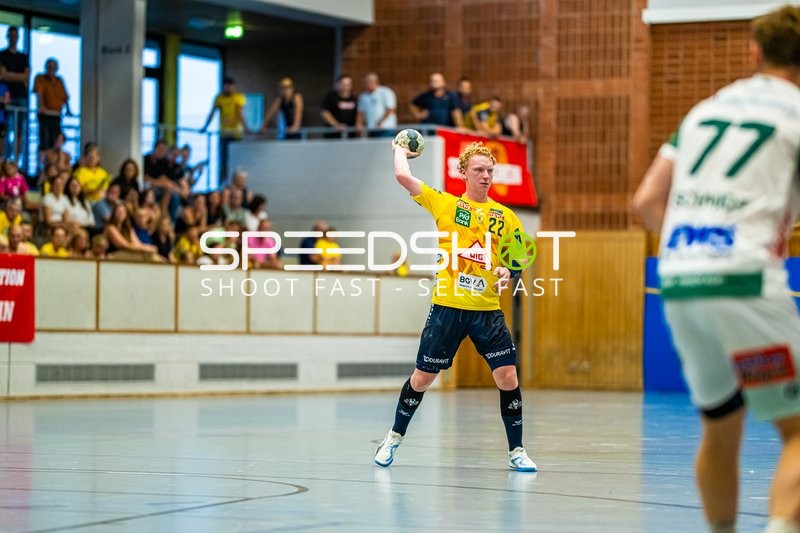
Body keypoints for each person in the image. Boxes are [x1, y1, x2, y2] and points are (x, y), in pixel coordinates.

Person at [632, 7, 800, 532]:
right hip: (745, 284)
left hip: (680, 282)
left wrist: (692, 249)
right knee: (796, 429)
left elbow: (646, 200)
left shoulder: (705, 111)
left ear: (754, 52)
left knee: (721, 423)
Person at [373, 141, 537, 472]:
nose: (485, 176)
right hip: (447, 308)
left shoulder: (505, 216)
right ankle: (393, 437)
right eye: (478, 170)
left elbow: (518, 255)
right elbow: (403, 176)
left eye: (490, 171)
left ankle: (517, 450)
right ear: (463, 172)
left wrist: (510, 271)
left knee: (508, 377)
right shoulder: (445, 204)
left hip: (487, 311)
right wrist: (399, 149)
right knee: (422, 379)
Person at [201, 76, 246, 184]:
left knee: (236, 159)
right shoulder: (219, 98)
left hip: (236, 133)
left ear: (234, 87)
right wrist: (205, 127)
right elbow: (212, 113)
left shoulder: (238, 97)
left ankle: (237, 182)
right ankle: (224, 182)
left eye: (230, 86)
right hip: (224, 134)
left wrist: (246, 127)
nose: (228, 88)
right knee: (223, 160)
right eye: (226, 86)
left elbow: (240, 113)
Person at [33, 58, 71, 170]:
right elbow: (39, 92)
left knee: (55, 140)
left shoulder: (59, 81)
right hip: (45, 115)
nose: (51, 69)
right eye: (49, 66)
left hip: (56, 115)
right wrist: (41, 106)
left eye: (53, 67)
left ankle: (54, 166)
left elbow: (65, 96)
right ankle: (42, 167)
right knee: (44, 141)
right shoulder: (40, 78)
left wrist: (68, 110)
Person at [0, 27, 29, 164]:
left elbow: (26, 76)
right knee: (5, 129)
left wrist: (9, 75)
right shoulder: (2, 55)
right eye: (11, 35)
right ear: (8, 36)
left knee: (20, 130)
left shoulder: (23, 57)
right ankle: (5, 159)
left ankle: (16, 162)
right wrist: (19, 76)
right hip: (6, 97)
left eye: (15, 35)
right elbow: (3, 75)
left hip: (21, 96)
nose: (13, 38)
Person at [356, 72, 397, 137]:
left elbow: (390, 109)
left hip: (386, 128)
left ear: (375, 82)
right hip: (371, 129)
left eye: (368, 82)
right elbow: (360, 113)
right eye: (365, 83)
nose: (367, 84)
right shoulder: (363, 96)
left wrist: (379, 123)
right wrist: (359, 124)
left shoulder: (386, 92)